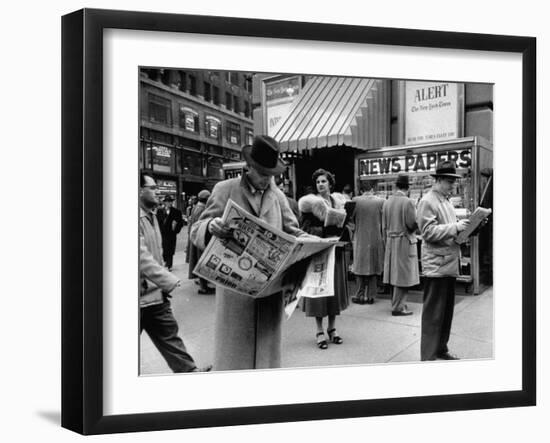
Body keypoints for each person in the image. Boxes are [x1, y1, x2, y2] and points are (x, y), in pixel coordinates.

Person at [191, 135, 307, 370]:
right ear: (249, 167)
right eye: (263, 174)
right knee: (235, 360)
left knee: (266, 360)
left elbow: (294, 231)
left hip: (269, 292)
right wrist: (210, 226)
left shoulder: (278, 196)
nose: (268, 181)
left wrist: (313, 243)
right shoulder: (225, 189)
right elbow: (196, 228)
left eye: (272, 175)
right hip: (236, 294)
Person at [139, 173, 211, 373]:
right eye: (152, 188)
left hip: (155, 295)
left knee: (170, 336)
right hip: (139, 298)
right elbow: (139, 256)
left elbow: (156, 253)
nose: (158, 191)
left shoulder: (151, 214)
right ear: (139, 190)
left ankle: (190, 372)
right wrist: (168, 279)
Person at [417, 161, 470, 361]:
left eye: (453, 182)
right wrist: (456, 227)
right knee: (433, 314)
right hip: (437, 265)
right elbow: (427, 232)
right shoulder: (428, 201)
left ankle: (440, 348)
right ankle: (428, 355)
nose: (452, 186)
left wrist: (467, 229)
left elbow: (446, 230)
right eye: (449, 181)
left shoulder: (445, 201)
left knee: (445, 312)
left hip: (447, 263)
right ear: (438, 180)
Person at [298, 169, 349, 350]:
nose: (320, 184)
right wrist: (324, 230)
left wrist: (342, 226)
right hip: (319, 250)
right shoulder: (309, 204)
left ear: (330, 184)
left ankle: (332, 328)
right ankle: (319, 330)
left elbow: (347, 225)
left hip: (336, 249)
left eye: (324, 181)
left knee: (333, 290)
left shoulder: (338, 201)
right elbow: (303, 229)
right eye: (318, 182)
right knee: (320, 291)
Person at [382, 173, 420, 316]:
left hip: (391, 241)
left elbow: (384, 225)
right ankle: (398, 307)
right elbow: (411, 224)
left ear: (395, 186)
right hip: (404, 241)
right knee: (403, 275)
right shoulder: (408, 202)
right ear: (407, 188)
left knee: (394, 274)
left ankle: (396, 303)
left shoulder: (387, 202)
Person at [351, 182, 385, 305]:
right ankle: (370, 296)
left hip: (360, 238)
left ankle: (359, 295)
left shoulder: (355, 201)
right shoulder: (381, 201)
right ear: (372, 189)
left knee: (360, 267)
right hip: (376, 238)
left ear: (360, 191)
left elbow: (349, 219)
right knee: (374, 266)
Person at [187, 189, 214, 294]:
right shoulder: (202, 209)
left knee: (199, 261)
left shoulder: (195, 207)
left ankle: (202, 283)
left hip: (195, 238)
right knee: (202, 262)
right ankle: (203, 287)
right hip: (200, 239)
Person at [156, 194, 184, 271]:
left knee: (170, 249)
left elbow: (180, 223)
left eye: (170, 201)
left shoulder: (177, 212)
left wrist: (176, 230)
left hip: (171, 234)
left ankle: (169, 265)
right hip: (163, 234)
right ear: (164, 202)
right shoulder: (159, 211)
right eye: (167, 201)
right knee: (164, 248)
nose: (169, 203)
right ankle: (165, 261)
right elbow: (157, 222)